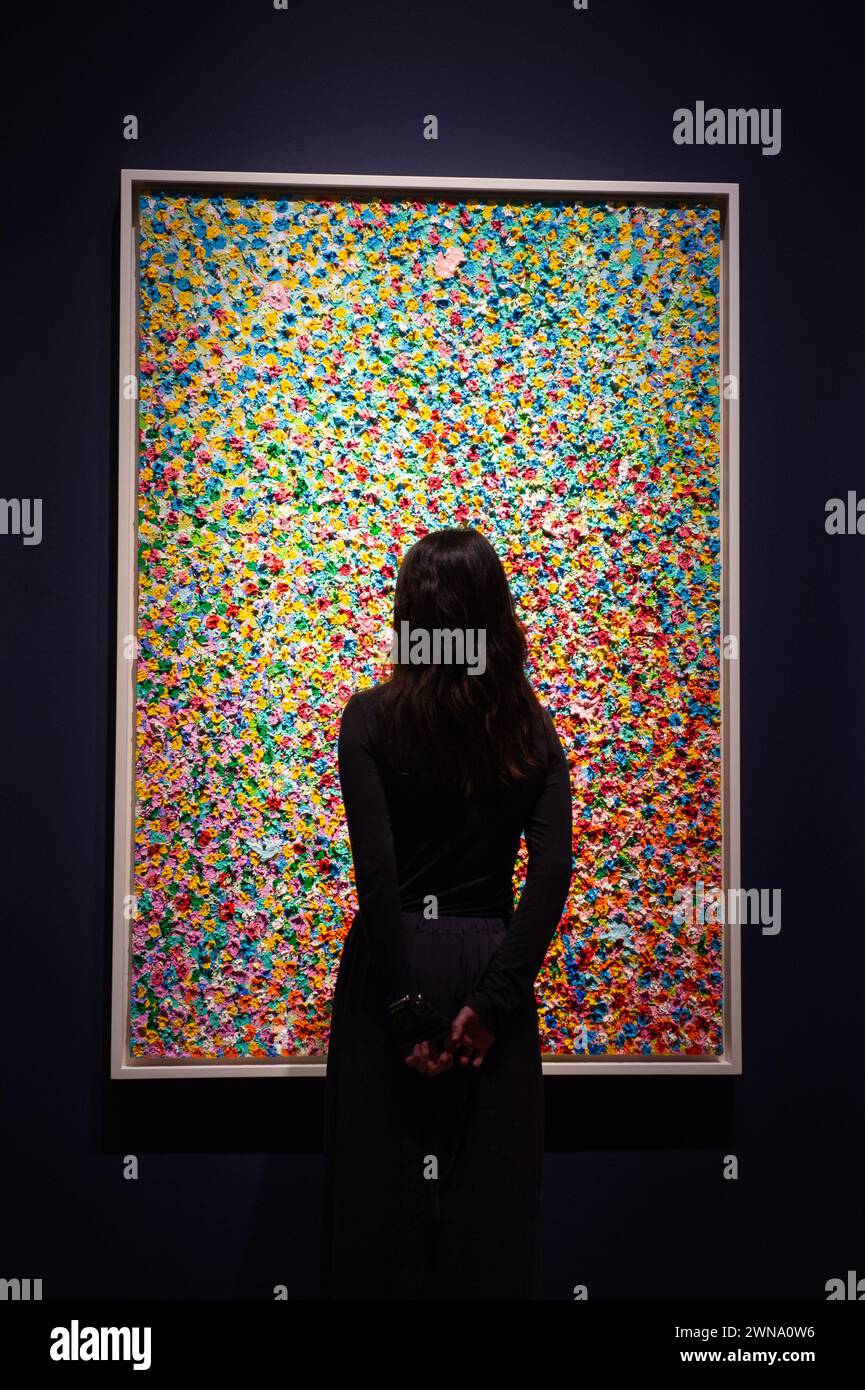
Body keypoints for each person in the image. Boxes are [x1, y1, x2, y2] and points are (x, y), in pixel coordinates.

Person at [321, 527, 573, 1299]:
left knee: (375, 1230)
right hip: (488, 972)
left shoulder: (368, 718)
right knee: (488, 1233)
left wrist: (403, 1011)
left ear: (410, 618)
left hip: (391, 968)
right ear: (495, 619)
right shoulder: (531, 730)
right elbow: (551, 876)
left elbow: (377, 872)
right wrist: (493, 1003)